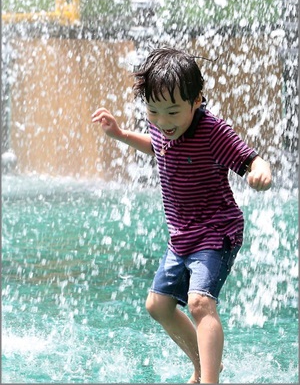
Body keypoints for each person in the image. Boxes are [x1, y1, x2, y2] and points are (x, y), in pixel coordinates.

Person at [91, 47, 272, 384]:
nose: (163, 122)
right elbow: (157, 144)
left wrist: (261, 172)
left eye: (172, 112)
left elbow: (250, 159)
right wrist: (120, 134)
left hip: (216, 232)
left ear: (198, 100)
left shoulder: (212, 131)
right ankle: (205, 366)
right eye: (153, 111)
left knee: (200, 303)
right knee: (158, 306)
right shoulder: (163, 124)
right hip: (182, 236)